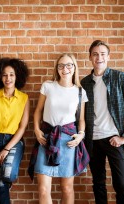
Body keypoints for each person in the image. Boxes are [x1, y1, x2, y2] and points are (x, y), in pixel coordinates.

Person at [81, 40, 124, 204]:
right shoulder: (84, 83)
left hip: (114, 139)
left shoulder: (120, 77)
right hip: (93, 140)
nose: (99, 57)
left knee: (121, 184)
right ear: (90, 57)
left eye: (102, 54)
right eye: (95, 54)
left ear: (108, 57)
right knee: (98, 184)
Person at [33, 53, 89, 204]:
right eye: (61, 66)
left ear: (74, 67)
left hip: (68, 142)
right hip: (46, 138)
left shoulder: (80, 92)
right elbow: (38, 110)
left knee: (67, 188)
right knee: (43, 189)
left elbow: (81, 119)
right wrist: (37, 131)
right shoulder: (48, 86)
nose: (65, 69)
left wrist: (81, 135)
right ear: (57, 69)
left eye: (69, 65)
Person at [0, 57, 30, 204]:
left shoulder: (24, 98)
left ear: (17, 76)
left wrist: (6, 149)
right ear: (0, 76)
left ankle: (8, 181)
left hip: (14, 142)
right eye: (4, 75)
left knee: (8, 175)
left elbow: (22, 127)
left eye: (11, 74)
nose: (8, 78)